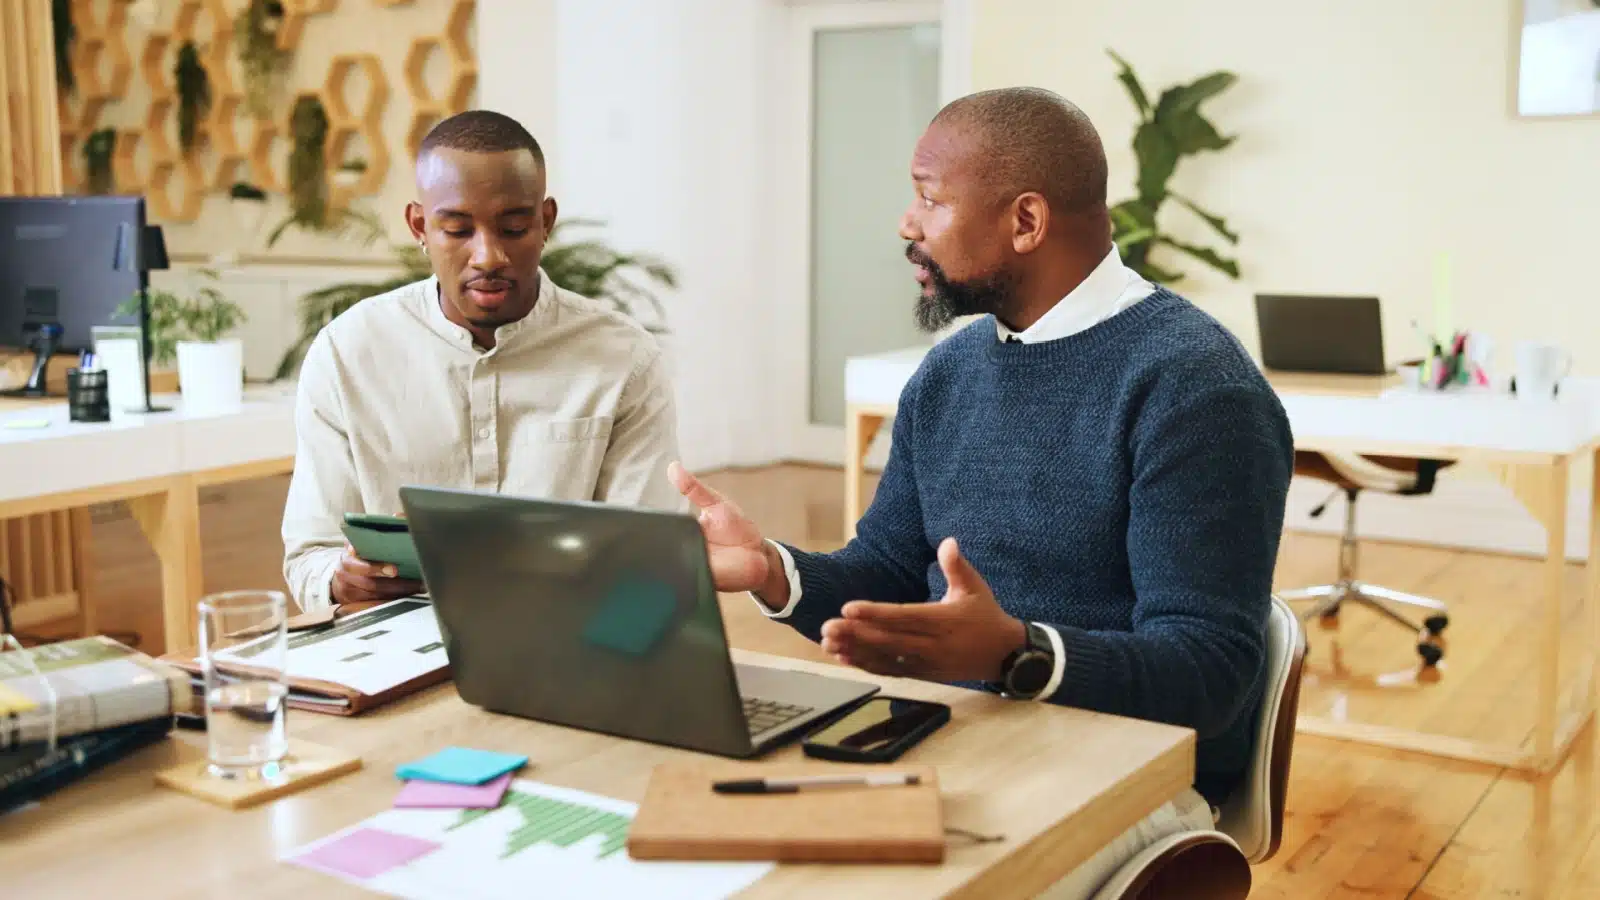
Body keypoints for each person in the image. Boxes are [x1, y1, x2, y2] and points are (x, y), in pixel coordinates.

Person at [670, 87, 1292, 894]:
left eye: (929, 198)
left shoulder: (1195, 388)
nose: (907, 223)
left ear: (1025, 223)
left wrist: (1019, 655)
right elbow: (888, 575)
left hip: (1128, 779)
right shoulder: (951, 372)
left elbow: (1210, 675)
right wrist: (771, 571)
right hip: (952, 737)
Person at [282, 110, 681, 611]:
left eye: (513, 228)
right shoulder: (347, 354)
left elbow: (646, 559)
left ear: (545, 222)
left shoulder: (626, 362)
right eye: (457, 230)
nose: (488, 256)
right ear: (419, 226)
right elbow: (309, 559)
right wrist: (342, 580)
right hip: (398, 645)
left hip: (567, 635)